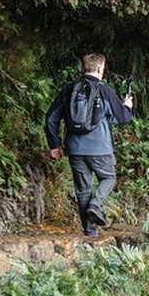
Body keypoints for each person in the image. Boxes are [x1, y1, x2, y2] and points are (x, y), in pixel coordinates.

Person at [45, 53, 133, 236]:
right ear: (100, 69)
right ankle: (95, 205)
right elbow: (122, 118)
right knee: (109, 179)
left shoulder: (69, 90)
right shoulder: (105, 90)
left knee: (82, 189)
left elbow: (51, 118)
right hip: (100, 149)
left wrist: (55, 144)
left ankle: (89, 230)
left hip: (75, 149)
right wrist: (127, 106)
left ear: (83, 68)